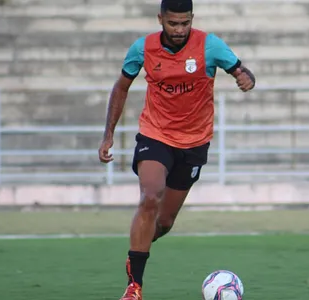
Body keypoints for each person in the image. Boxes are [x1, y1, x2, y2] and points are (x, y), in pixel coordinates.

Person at [98, 0, 255, 298]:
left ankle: (137, 249)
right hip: (155, 135)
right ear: (160, 19)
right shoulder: (142, 49)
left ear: (192, 19)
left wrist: (245, 77)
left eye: (185, 23)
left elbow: (240, 70)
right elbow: (121, 87)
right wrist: (108, 135)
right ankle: (134, 286)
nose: (180, 30)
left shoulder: (210, 46)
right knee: (150, 196)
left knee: (165, 222)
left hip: (194, 142)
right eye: (173, 23)